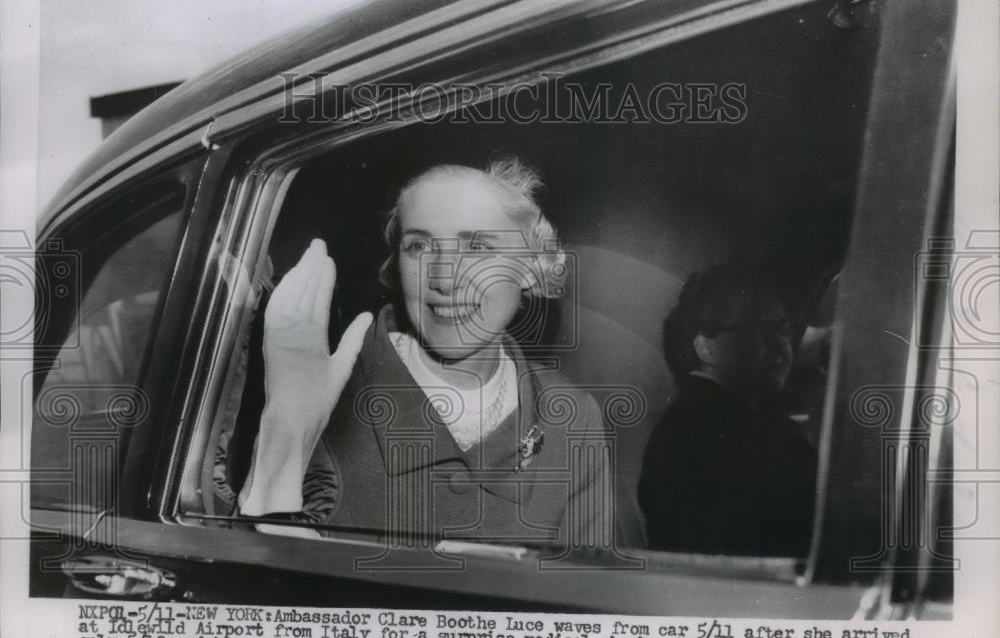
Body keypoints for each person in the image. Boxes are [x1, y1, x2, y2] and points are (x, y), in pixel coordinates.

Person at [238, 158, 618, 550]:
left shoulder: (573, 415)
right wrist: (284, 432)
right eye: (419, 246)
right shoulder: (331, 394)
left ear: (529, 265)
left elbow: (591, 593)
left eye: (477, 246)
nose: (443, 277)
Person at [638, 265, 818, 557]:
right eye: (762, 331)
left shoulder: (703, 419)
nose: (782, 347)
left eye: (784, 330)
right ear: (705, 346)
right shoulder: (713, 432)